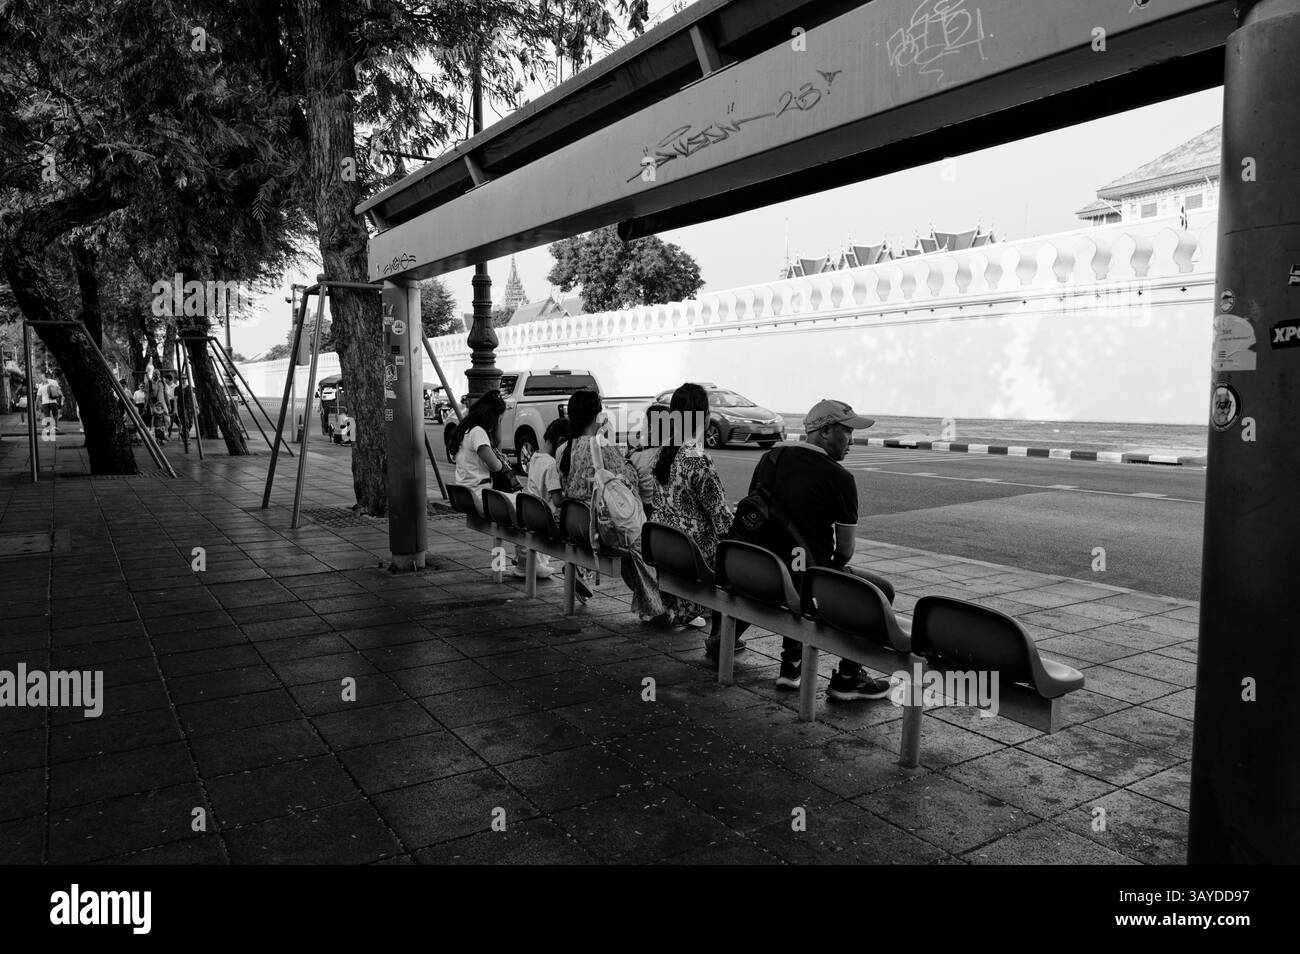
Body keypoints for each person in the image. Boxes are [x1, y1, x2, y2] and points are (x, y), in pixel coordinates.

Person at [729, 399, 894, 702]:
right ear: (826, 431)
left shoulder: (771, 458)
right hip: (803, 587)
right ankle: (848, 678)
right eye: (847, 432)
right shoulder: (840, 478)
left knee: (799, 568)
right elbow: (845, 551)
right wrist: (828, 567)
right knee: (880, 590)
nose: (851, 442)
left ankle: (792, 664)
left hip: (756, 573)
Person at [559, 388, 664, 621]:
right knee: (644, 541)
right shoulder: (601, 445)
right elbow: (629, 481)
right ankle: (660, 606)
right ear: (597, 415)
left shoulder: (567, 447)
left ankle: (653, 604)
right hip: (601, 527)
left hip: (577, 524)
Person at [651, 385, 729, 631]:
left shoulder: (664, 451)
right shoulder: (697, 457)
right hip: (692, 551)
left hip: (664, 545)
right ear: (704, 418)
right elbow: (720, 518)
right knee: (737, 552)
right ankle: (721, 636)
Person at [449, 390, 545, 580]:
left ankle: (503, 568)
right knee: (529, 508)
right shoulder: (478, 432)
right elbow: (496, 465)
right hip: (482, 497)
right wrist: (498, 433)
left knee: (503, 529)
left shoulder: (464, 431)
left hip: (471, 496)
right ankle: (527, 564)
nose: (500, 423)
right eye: (500, 419)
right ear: (493, 417)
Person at [525, 418, 584, 594]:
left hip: (532, 515)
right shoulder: (551, 465)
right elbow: (557, 500)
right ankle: (578, 570)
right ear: (561, 442)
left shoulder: (535, 457)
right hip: (547, 520)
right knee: (580, 525)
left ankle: (578, 571)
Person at [627, 403, 669, 519]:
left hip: (644, 514)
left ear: (650, 428)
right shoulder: (675, 455)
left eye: (644, 422)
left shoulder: (636, 456)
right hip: (668, 513)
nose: (641, 426)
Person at [37, 375, 62, 442]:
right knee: (55, 414)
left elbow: (38, 398)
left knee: (47, 416)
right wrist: (60, 398)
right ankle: (56, 426)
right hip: (53, 402)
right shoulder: (52, 385)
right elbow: (58, 393)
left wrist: (37, 405)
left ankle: (48, 429)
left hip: (45, 403)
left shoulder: (41, 387)